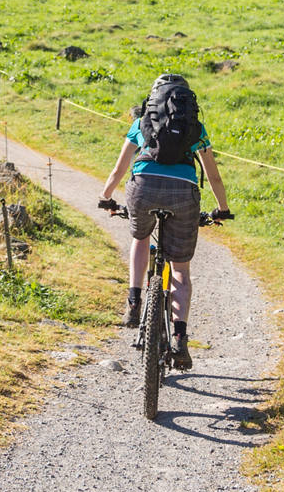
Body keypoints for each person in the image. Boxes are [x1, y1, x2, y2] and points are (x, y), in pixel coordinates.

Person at [97, 74, 230, 371]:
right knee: (180, 270)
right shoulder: (195, 127)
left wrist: (106, 197)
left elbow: (120, 168)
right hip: (184, 193)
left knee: (140, 238)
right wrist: (221, 209)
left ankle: (134, 303)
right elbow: (213, 175)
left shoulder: (142, 122)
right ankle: (180, 339)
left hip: (143, 189)